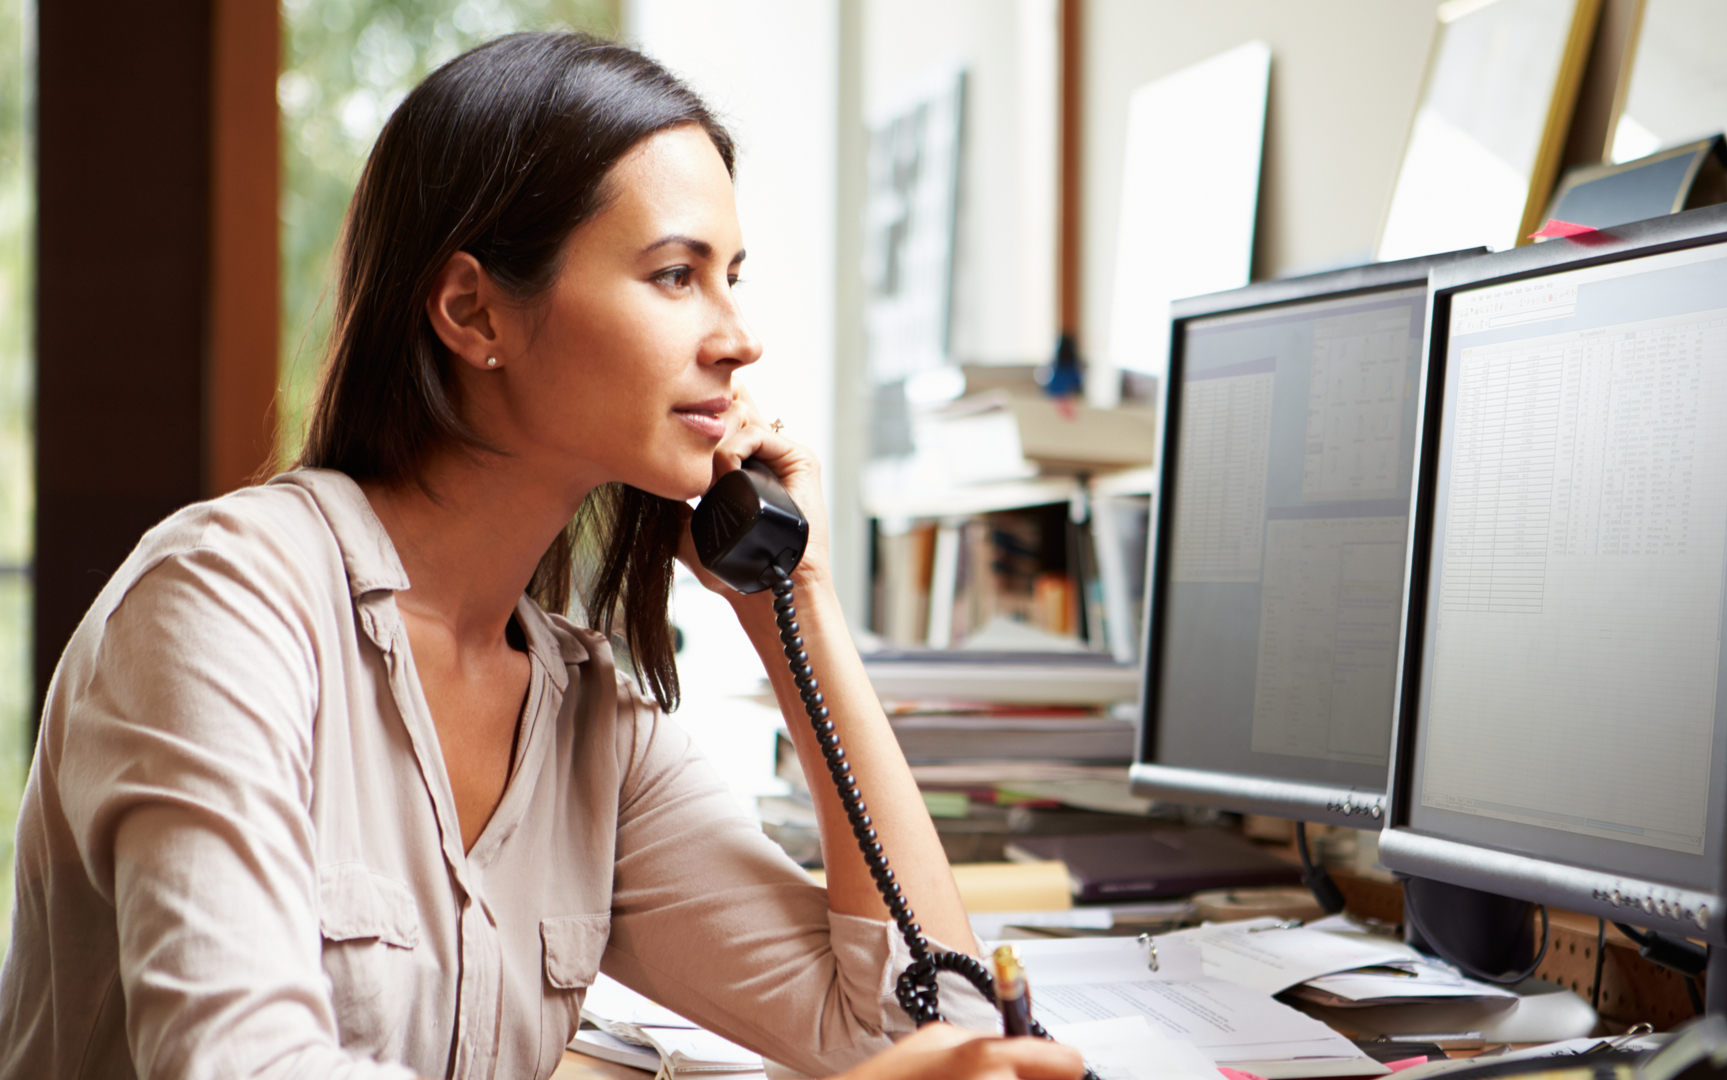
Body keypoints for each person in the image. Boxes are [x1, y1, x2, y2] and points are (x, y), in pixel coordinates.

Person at [0, 32, 1083, 1080]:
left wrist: (798, 601)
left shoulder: (586, 725)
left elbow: (932, 1028)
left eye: (732, 277)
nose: (737, 336)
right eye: (674, 275)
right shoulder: (222, 605)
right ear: (475, 310)